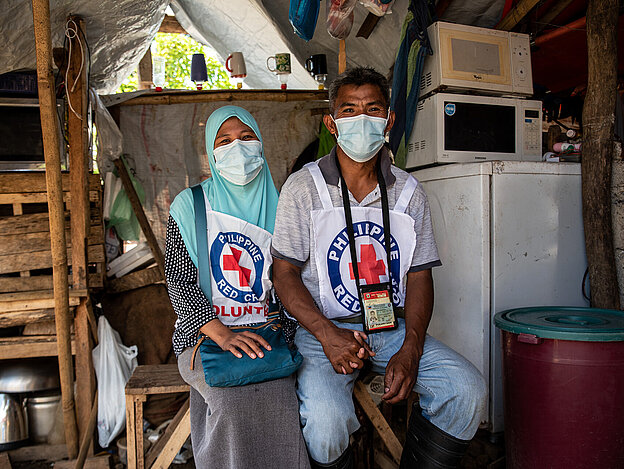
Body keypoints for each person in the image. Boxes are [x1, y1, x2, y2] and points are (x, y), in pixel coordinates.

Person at [272, 68, 487, 469]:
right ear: (331, 123)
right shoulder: (303, 188)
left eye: (372, 109)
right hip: (321, 331)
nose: (361, 119)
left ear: (388, 121)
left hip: (389, 329)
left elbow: (419, 275)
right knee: (325, 421)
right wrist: (326, 333)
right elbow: (283, 273)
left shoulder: (408, 192)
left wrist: (412, 347)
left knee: (466, 389)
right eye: (349, 110)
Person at [166, 105, 309, 468]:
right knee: (231, 405)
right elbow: (179, 282)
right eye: (224, 141)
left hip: (270, 333)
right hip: (205, 334)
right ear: (210, 154)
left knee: (281, 399)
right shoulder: (190, 205)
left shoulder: (283, 206)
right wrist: (223, 334)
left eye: (246, 138)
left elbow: (296, 279)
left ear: (260, 144)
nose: (237, 148)